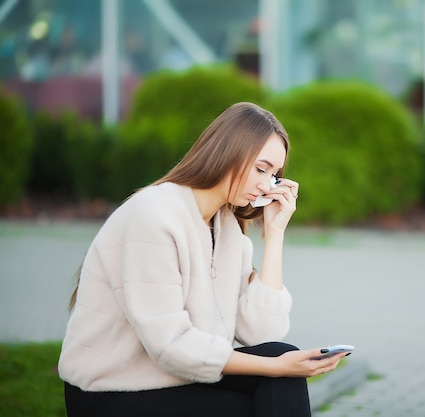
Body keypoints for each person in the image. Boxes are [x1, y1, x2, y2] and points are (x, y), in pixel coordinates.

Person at [58, 102, 347, 417]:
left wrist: (275, 233)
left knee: (281, 362)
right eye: (260, 169)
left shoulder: (227, 230)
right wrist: (275, 367)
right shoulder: (154, 215)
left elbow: (262, 335)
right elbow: (170, 345)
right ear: (228, 152)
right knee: (267, 385)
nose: (267, 185)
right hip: (111, 391)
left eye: (274, 175)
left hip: (177, 377)